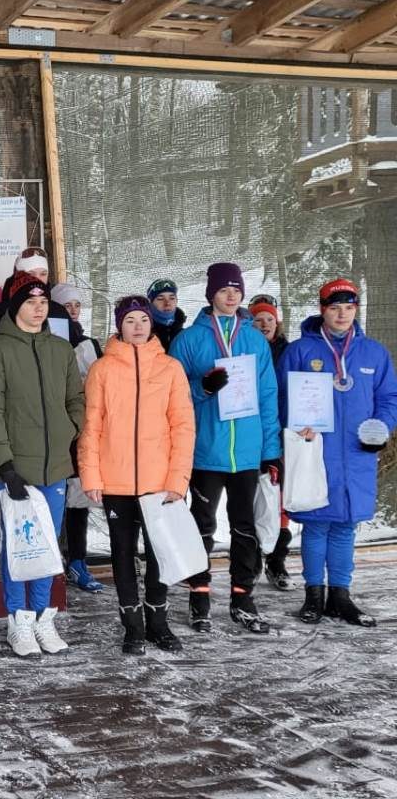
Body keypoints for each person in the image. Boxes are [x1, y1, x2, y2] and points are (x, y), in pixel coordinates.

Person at [0, 271, 84, 657]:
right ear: (15, 307)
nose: (38, 310)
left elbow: (76, 398)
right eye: (30, 303)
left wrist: (72, 429)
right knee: (20, 546)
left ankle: (43, 618)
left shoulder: (60, 349)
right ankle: (17, 621)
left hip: (54, 466)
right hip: (16, 468)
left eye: (43, 303)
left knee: (48, 546)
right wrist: (4, 463)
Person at [79, 296, 195, 655]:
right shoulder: (102, 369)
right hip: (116, 482)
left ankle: (159, 622)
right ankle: (133, 627)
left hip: (160, 484)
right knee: (122, 554)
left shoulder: (170, 368)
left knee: (161, 553)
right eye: (130, 321)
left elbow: (183, 426)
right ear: (120, 326)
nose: (138, 326)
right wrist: (91, 475)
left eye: (143, 320)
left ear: (151, 323)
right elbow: (92, 425)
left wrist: (178, 479)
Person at [169, 262, 281, 635]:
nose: (231, 296)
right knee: (201, 526)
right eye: (223, 290)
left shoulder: (254, 340)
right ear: (210, 294)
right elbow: (172, 395)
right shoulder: (189, 340)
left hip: (247, 451)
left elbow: (268, 396)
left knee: (244, 526)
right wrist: (202, 387)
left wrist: (270, 450)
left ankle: (242, 598)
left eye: (236, 290)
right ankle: (199, 597)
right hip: (206, 450)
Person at [279, 278, 397, 627]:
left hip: (357, 454)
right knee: (316, 526)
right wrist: (293, 422)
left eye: (348, 307)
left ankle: (341, 597)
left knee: (346, 526)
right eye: (334, 307)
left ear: (355, 310)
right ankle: (313, 596)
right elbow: (281, 397)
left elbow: (389, 397)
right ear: (322, 310)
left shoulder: (374, 352)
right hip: (315, 452)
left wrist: (381, 426)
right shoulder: (300, 351)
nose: (342, 314)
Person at [51, 282, 105, 593]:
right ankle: (53, 561)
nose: (72, 311)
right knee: (53, 499)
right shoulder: (46, 343)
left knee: (79, 500)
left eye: (76, 305)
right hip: (56, 431)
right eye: (65, 306)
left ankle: (78, 561)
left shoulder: (90, 344)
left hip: (83, 430)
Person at [250, 294, 293, 591]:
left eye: (269, 319)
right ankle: (251, 558)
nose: (264, 324)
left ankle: (277, 560)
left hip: (283, 434)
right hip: (252, 434)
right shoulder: (243, 351)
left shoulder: (289, 352)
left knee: (281, 499)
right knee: (252, 497)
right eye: (258, 320)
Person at [0, 246, 77, 363]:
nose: (38, 279)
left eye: (43, 274)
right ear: (18, 276)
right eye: (31, 273)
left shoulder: (59, 312)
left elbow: (73, 350)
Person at [148, 278, 186, 353]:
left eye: (172, 298)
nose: (167, 303)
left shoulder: (185, 335)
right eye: (160, 299)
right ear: (151, 303)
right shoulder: (142, 334)